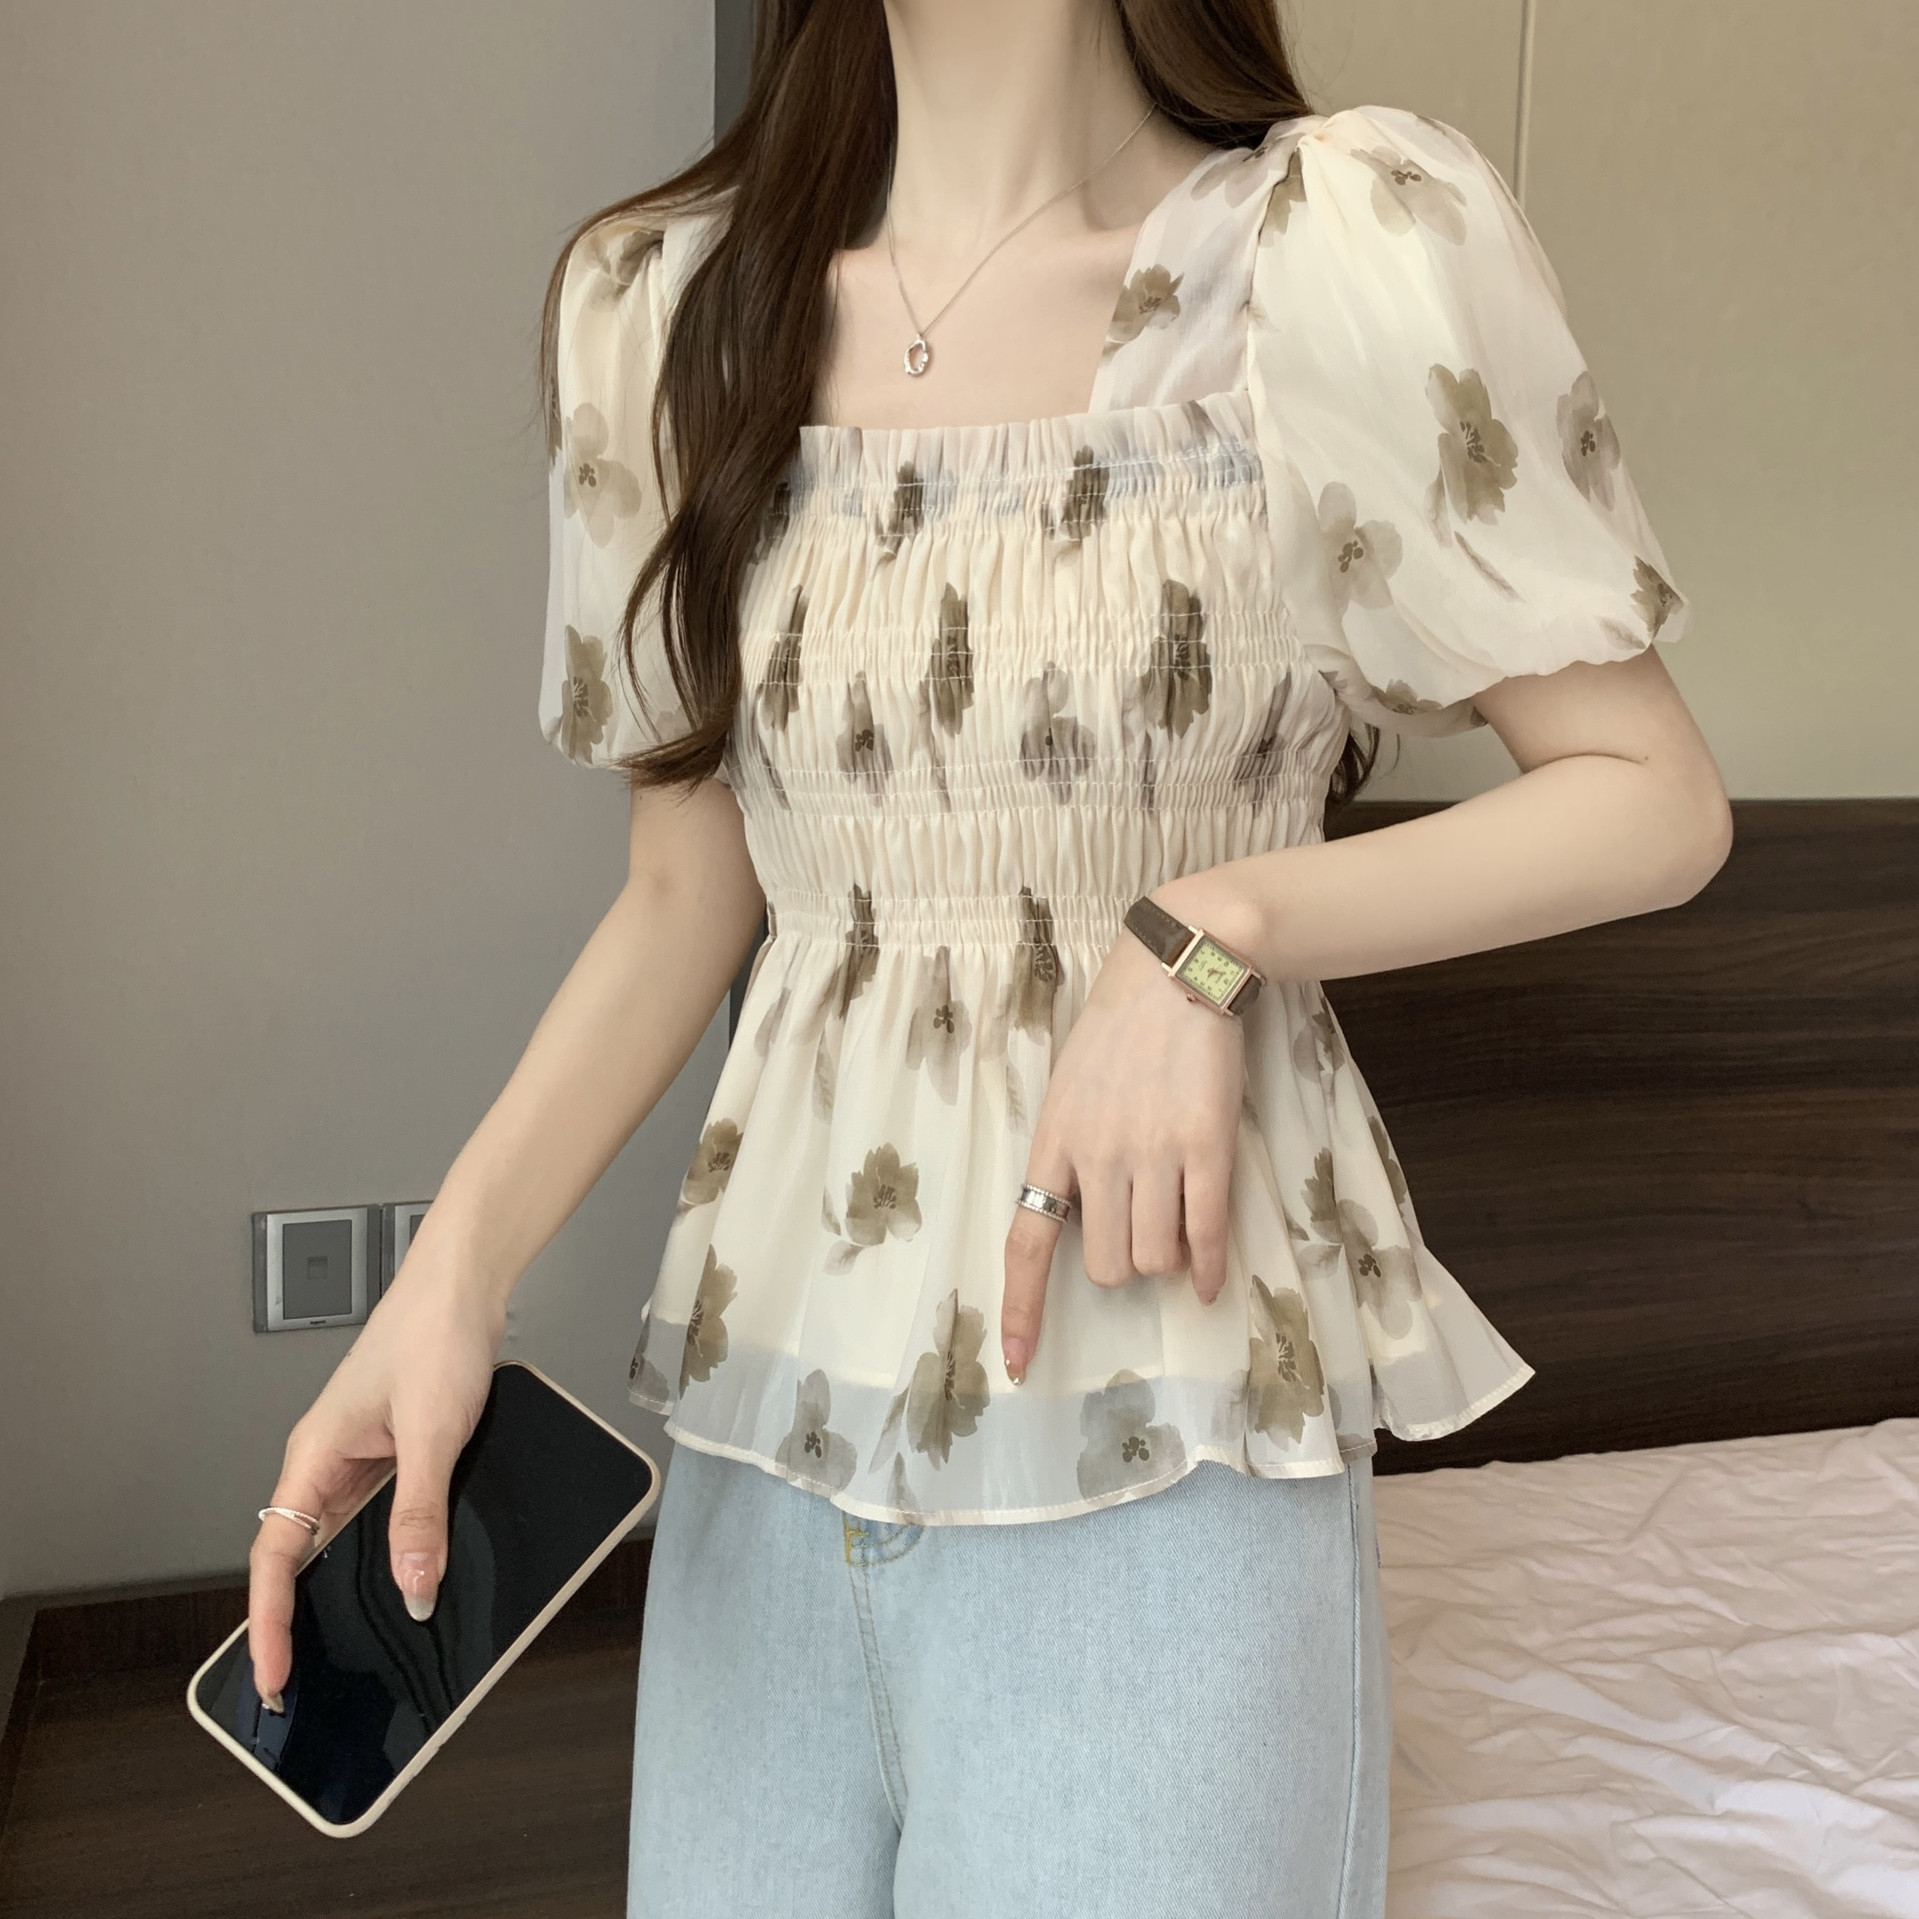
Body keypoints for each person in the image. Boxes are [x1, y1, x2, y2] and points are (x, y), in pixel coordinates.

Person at [247, 1, 1731, 1912]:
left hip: (1167, 1440)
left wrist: (1207, 933)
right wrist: (448, 1277)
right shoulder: (669, 309)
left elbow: (1650, 798)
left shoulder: (1333, 251)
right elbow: (689, 896)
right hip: (772, 1437)